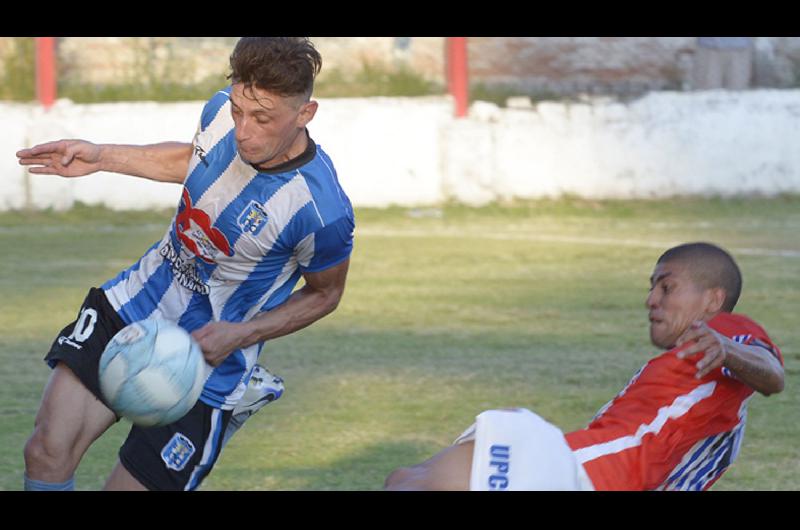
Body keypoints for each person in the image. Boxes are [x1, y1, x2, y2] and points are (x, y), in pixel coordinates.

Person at [17, 37, 355, 491]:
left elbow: (326, 294)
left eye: (262, 118)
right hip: (133, 306)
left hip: (207, 361)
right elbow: (195, 158)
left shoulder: (320, 209)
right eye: (238, 110)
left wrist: (243, 333)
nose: (243, 131)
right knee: (45, 452)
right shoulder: (219, 113)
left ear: (304, 114)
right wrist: (103, 157)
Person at [384, 242, 784, 491]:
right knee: (403, 480)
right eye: (651, 287)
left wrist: (728, 348)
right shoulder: (693, 377)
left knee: (413, 484)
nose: (651, 299)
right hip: (574, 459)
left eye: (666, 287)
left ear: (713, 300)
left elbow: (773, 373)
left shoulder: (728, 331)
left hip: (588, 473)